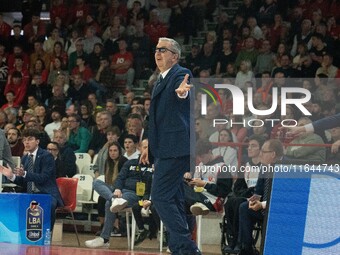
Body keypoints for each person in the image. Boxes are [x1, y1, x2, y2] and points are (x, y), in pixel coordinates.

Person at [140, 37, 201, 255]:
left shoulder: (179, 74)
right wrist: (148, 144)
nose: (157, 53)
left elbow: (184, 91)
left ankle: (187, 247)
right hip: (164, 147)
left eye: (163, 50)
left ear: (174, 56)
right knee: (173, 197)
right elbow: (156, 117)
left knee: (159, 197)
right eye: (156, 49)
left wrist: (183, 92)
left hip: (176, 148)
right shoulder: (159, 79)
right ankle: (179, 248)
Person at [85, 139, 152, 248]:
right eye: (144, 147)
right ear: (139, 148)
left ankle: (104, 239)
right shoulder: (130, 163)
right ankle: (113, 199)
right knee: (96, 182)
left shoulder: (154, 166)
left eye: (149, 148)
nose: (146, 150)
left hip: (135, 195)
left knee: (108, 204)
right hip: (120, 192)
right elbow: (120, 178)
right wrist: (117, 189)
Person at [0, 129, 63, 228]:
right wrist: (11, 176)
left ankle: (47, 233)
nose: (26, 142)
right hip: (29, 193)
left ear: (37, 141)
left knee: (49, 205)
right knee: (11, 202)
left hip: (46, 193)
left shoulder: (46, 156)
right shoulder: (25, 158)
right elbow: (23, 181)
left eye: (30, 139)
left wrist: (25, 173)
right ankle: (20, 233)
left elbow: (44, 178)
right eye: (24, 140)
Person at [237, 139, 284, 255]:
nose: (260, 154)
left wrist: (262, 204)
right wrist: (254, 199)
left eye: (263, 151)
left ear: (273, 154)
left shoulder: (285, 169)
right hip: (264, 207)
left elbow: (281, 199)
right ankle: (247, 249)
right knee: (244, 207)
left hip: (279, 210)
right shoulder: (265, 167)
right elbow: (259, 191)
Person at [223, 135, 265, 254]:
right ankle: (232, 238)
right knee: (231, 201)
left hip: (257, 197)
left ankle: (240, 242)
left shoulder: (265, 166)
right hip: (245, 195)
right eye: (249, 146)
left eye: (253, 146)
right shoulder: (245, 166)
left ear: (261, 149)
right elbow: (237, 186)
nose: (249, 148)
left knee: (239, 203)